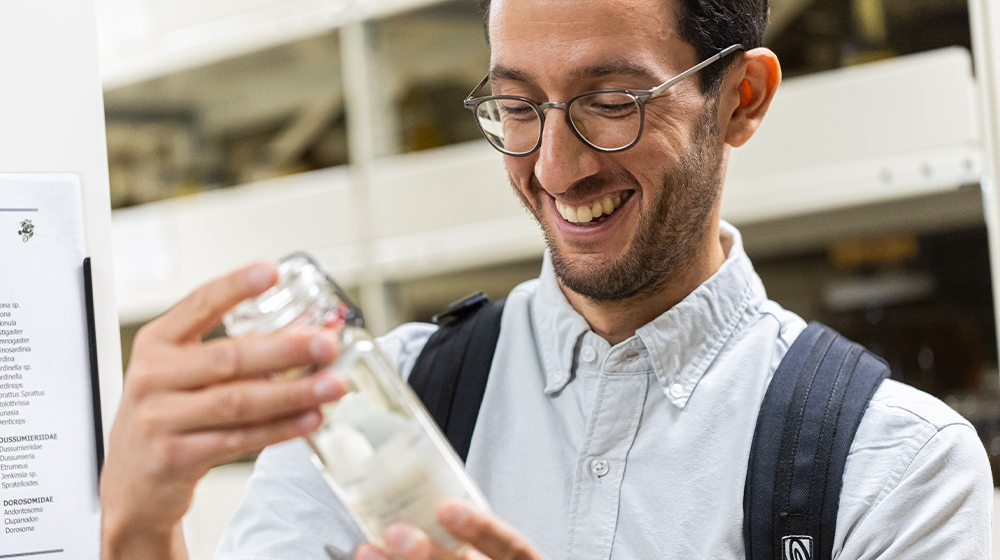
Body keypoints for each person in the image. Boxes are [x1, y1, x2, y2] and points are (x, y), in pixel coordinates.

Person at [99, 0, 995, 558]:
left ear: (741, 100)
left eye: (612, 102)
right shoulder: (368, 411)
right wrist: (141, 527)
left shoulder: (897, 469)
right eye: (518, 106)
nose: (557, 169)